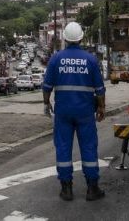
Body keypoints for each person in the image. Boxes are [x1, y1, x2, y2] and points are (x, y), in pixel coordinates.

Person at [43, 22, 106, 202]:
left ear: (65, 38)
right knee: (88, 147)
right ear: (81, 38)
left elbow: (47, 86)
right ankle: (92, 189)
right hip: (85, 112)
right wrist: (101, 107)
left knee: (63, 148)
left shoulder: (56, 59)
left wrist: (45, 104)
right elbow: (100, 89)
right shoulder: (91, 60)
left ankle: (66, 189)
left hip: (63, 112)